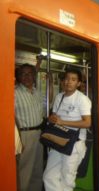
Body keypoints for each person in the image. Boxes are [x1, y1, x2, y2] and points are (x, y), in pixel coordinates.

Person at [43, 68, 91, 191]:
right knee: (49, 176)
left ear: (79, 83)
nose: (68, 82)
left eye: (73, 79)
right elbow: (55, 117)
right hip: (58, 140)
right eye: (66, 79)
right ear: (63, 81)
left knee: (67, 180)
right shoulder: (59, 97)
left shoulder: (82, 99)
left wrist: (62, 122)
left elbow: (87, 123)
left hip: (74, 144)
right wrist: (52, 119)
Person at [15, 63, 44, 191]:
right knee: (24, 170)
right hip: (24, 135)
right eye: (23, 74)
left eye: (30, 74)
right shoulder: (14, 93)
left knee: (37, 169)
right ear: (19, 77)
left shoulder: (37, 92)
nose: (27, 77)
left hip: (39, 134)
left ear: (34, 76)